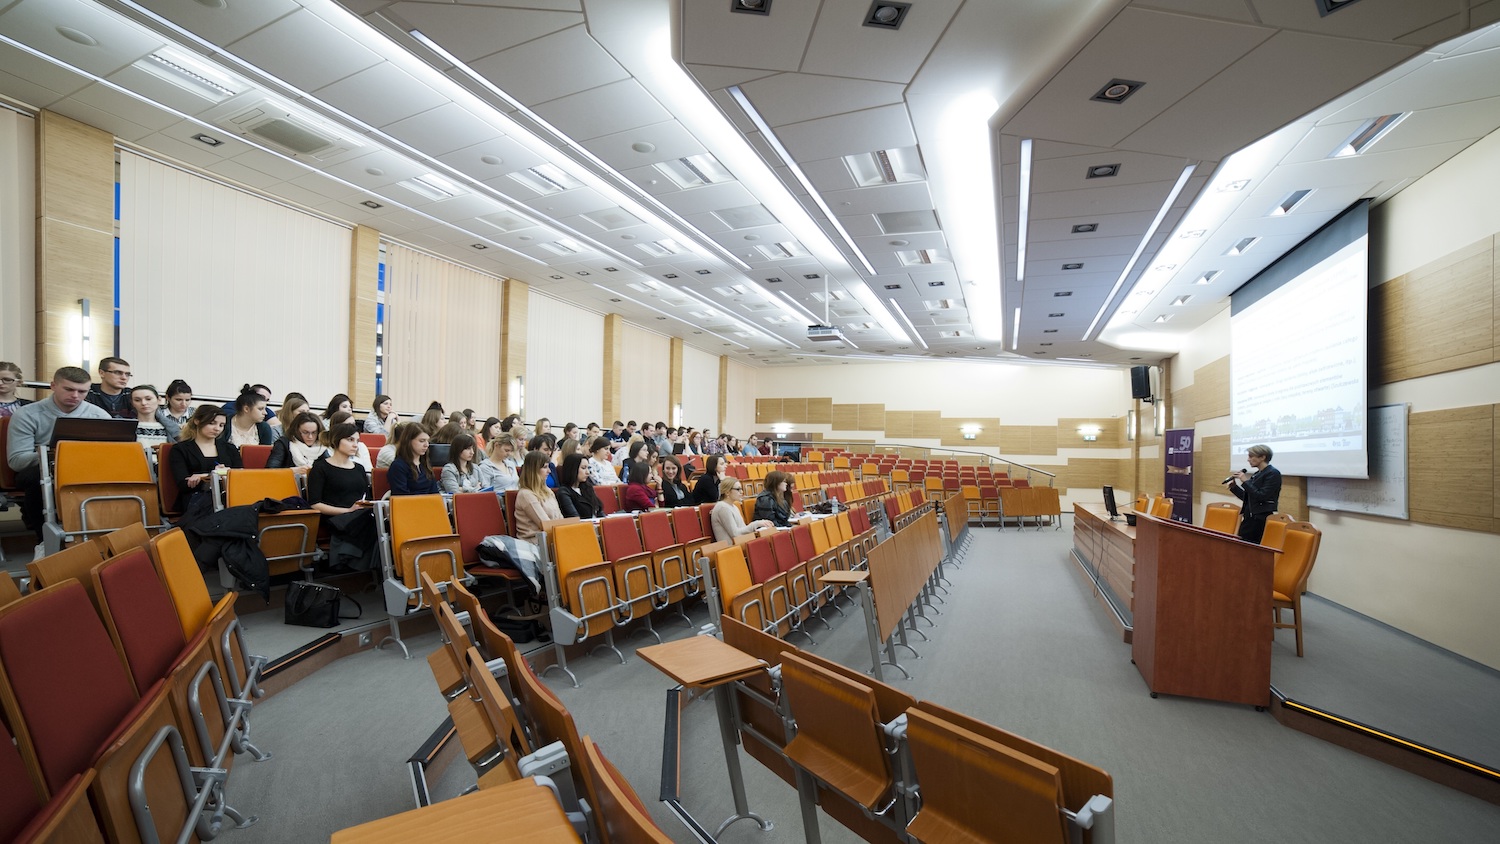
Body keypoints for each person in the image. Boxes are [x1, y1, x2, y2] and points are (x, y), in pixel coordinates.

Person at [5, 366, 110, 538]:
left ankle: (102, 533)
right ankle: (44, 539)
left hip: (87, 468)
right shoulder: (27, 414)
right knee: (35, 478)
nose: (75, 396)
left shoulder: (99, 415)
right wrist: (57, 455)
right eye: (68, 389)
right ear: (53, 386)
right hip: (41, 470)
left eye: (82, 391)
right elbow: (17, 461)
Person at [306, 422, 377, 572]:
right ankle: (356, 564)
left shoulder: (359, 468)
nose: (355, 444)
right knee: (371, 523)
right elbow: (315, 504)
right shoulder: (320, 468)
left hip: (358, 514)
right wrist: (347, 511)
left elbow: (365, 496)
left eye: (357, 441)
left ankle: (355, 563)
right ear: (337, 440)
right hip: (334, 516)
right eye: (350, 440)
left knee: (378, 520)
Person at [168, 404, 243, 513]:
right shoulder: (180, 449)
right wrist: (215, 475)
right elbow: (183, 484)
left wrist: (208, 475)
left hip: (228, 496)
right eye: (212, 423)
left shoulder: (229, 448)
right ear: (197, 421)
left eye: (221, 425)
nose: (217, 428)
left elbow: (241, 475)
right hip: (197, 499)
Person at [1229, 444, 1282, 543]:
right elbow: (1250, 497)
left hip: (1259, 519)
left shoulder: (1273, 473)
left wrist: (1245, 481)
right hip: (1250, 517)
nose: (1248, 459)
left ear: (1262, 457)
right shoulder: (1257, 474)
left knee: (1249, 551)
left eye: (1251, 456)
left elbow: (1261, 496)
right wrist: (1235, 488)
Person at [512, 450, 562, 546]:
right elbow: (545, 524)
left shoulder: (547, 491)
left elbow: (560, 518)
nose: (549, 471)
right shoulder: (526, 494)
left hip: (552, 539)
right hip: (535, 543)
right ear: (534, 470)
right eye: (545, 467)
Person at [711, 476, 773, 543]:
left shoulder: (733, 506)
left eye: (741, 489)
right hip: (732, 548)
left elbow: (742, 530)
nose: (742, 492)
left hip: (741, 544)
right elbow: (736, 534)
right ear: (727, 492)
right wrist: (756, 524)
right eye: (738, 489)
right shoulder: (723, 508)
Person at [388, 422, 440, 496]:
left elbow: (434, 492)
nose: (426, 445)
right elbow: (401, 496)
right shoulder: (398, 466)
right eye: (422, 441)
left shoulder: (425, 464)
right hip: (410, 505)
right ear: (408, 441)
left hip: (429, 505)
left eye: (427, 441)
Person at [555, 452, 600, 519]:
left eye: (588, 468)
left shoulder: (588, 488)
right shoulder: (564, 492)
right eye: (583, 468)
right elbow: (574, 517)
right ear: (573, 469)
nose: (587, 472)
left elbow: (599, 510)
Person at [129, 385, 170, 459]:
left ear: (159, 400)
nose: (144, 403)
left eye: (148, 399)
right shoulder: (126, 427)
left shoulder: (171, 428)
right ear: (132, 403)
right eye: (137, 400)